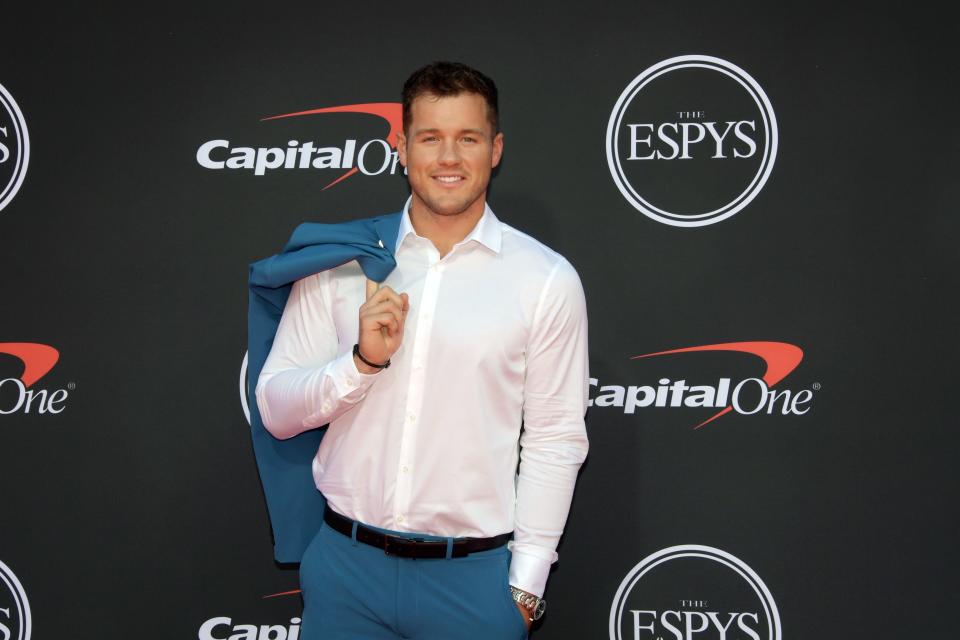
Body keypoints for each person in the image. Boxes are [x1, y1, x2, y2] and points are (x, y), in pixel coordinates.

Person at [255, 61, 589, 640]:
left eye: (468, 138)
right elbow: (276, 412)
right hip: (345, 573)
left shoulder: (545, 280)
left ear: (496, 149)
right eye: (431, 138)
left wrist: (526, 586)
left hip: (476, 584)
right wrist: (360, 364)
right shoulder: (343, 259)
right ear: (402, 148)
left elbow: (556, 437)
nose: (449, 158)